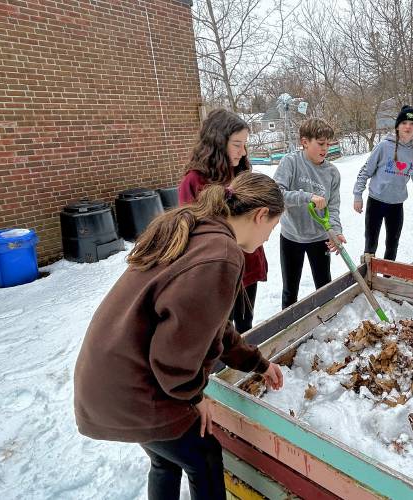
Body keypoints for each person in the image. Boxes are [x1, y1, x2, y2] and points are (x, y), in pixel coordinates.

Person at [74, 172, 285, 500]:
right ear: (260, 216)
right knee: (205, 456)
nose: (269, 239)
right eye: (272, 228)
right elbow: (173, 356)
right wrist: (193, 398)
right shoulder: (221, 254)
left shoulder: (200, 227)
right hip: (136, 388)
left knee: (165, 459)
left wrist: (257, 363)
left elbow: (208, 326)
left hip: (108, 378)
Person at [178, 109, 266, 333]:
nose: (243, 151)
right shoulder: (195, 181)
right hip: (217, 269)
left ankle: (244, 366)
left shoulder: (241, 172)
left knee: (245, 324)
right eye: (237, 144)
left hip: (247, 262)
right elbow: (189, 230)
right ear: (218, 141)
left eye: (245, 144)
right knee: (219, 330)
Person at [353, 105, 413, 261]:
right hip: (376, 201)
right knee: (370, 243)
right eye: (404, 123)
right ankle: (369, 278)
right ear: (397, 126)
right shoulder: (383, 146)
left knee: (392, 244)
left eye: (412, 123)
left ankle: (387, 279)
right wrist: (357, 195)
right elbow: (365, 171)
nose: (408, 127)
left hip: (396, 205)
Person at [273, 118, 345, 309]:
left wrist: (335, 231)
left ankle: (328, 324)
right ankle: (287, 329)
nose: (325, 149)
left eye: (328, 144)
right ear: (304, 142)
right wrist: (307, 197)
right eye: (321, 144)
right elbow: (276, 194)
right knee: (290, 290)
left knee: (324, 287)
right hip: (291, 236)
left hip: (319, 238)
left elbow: (334, 207)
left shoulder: (332, 173)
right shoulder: (290, 162)